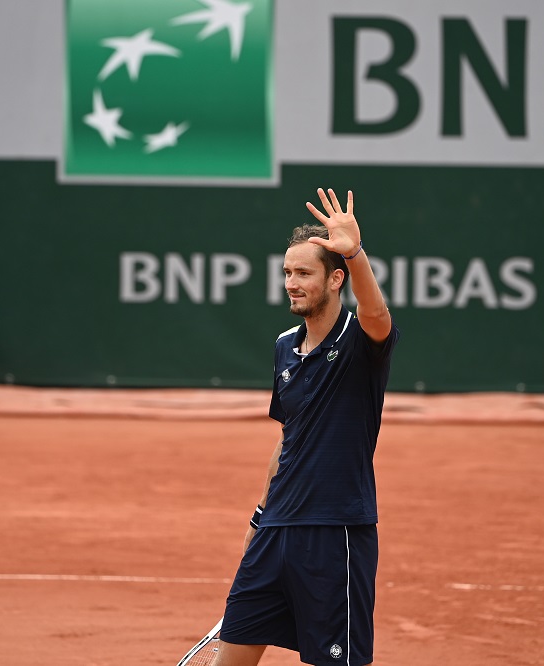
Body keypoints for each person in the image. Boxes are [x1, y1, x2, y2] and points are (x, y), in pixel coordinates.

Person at [214, 188, 398, 666]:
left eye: (304, 273)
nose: (292, 283)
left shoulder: (361, 340)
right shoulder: (283, 347)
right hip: (276, 530)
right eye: (287, 274)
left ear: (336, 280)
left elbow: (377, 315)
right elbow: (288, 437)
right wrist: (260, 514)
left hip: (335, 531)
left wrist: (355, 252)